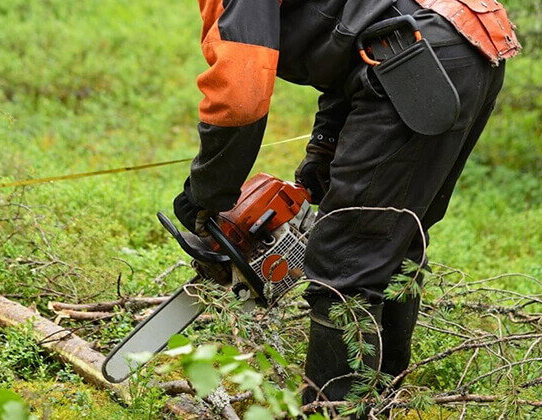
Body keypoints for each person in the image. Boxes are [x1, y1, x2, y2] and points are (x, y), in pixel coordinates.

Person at [173, 0, 520, 411]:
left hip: (419, 57)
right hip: (462, 46)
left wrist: (208, 192)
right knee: (396, 239)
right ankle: (376, 404)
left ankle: (331, 412)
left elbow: (240, 93)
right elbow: (359, 33)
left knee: (345, 262)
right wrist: (325, 143)